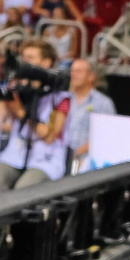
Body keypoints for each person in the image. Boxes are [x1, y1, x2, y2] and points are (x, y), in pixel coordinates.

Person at [0, 38, 70, 189]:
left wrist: (20, 112)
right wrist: (5, 92)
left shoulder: (60, 97)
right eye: (23, 58)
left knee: (23, 189)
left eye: (30, 58)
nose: (24, 63)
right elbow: (3, 121)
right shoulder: (19, 89)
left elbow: (49, 136)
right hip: (14, 155)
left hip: (45, 160)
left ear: (46, 63)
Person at [65, 57, 115, 159]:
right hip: (60, 158)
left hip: (86, 160)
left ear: (91, 76)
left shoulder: (103, 103)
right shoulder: (65, 98)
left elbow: (106, 135)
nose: (73, 74)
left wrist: (76, 154)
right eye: (72, 71)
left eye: (78, 71)